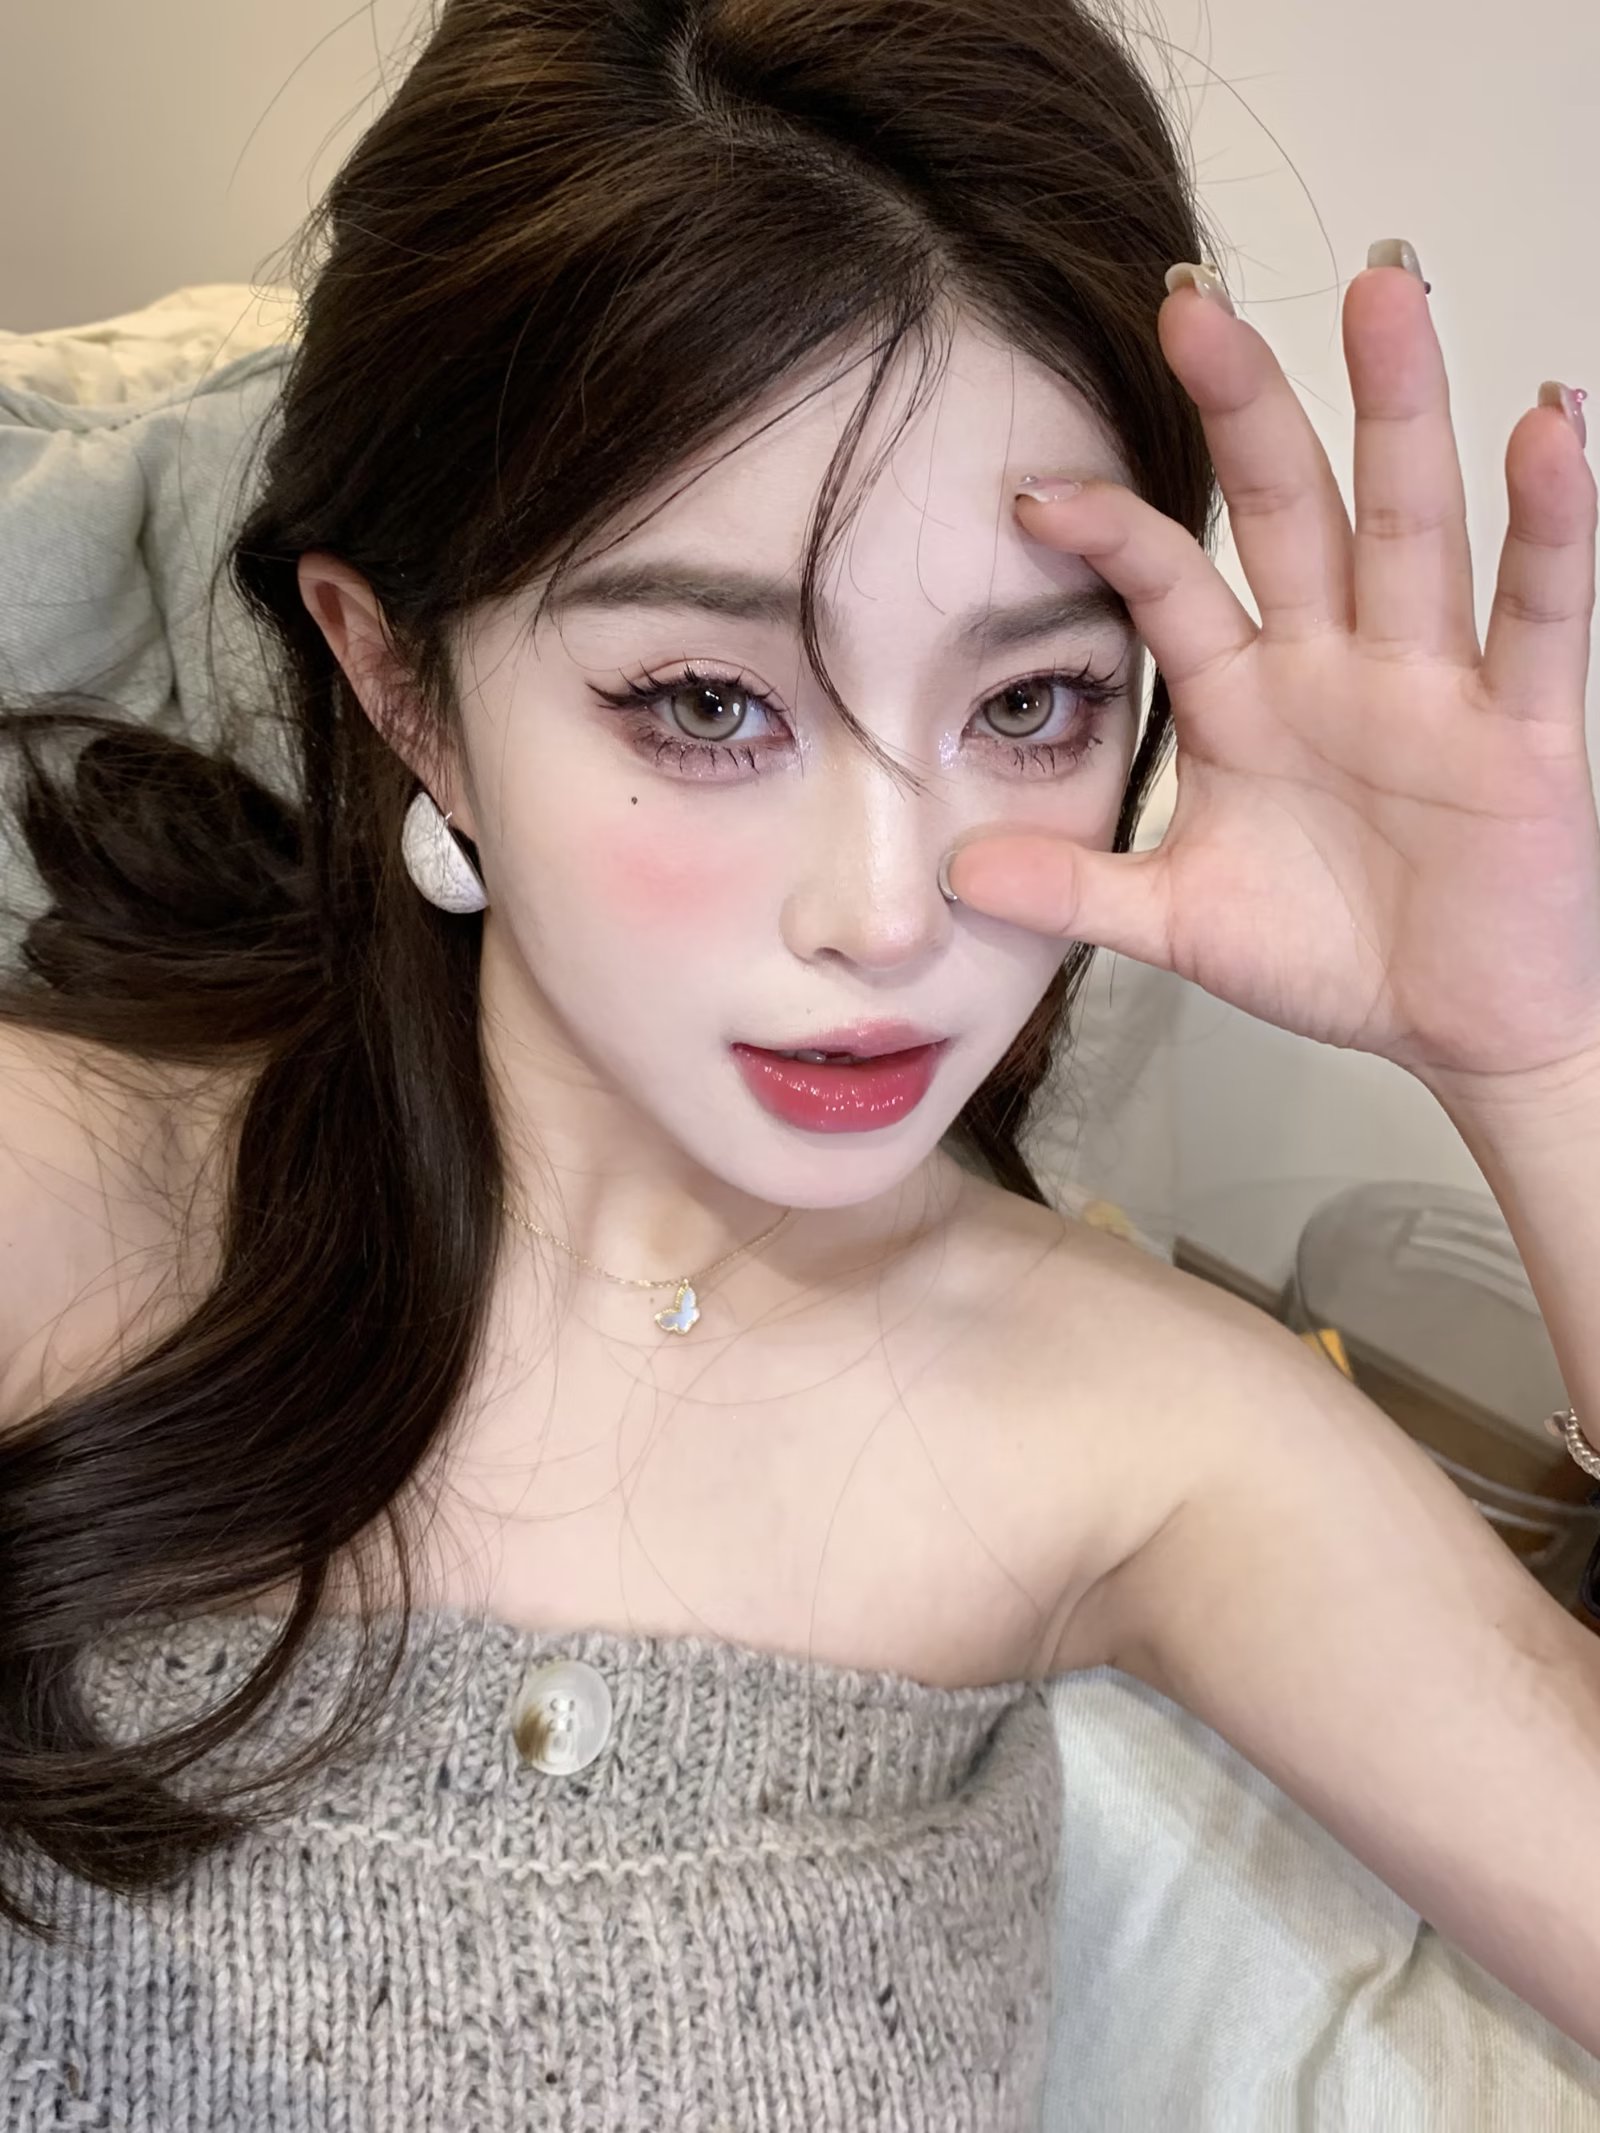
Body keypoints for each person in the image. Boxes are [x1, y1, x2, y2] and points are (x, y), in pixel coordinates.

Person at [0, 0, 1596, 2123]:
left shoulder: (1143, 1430)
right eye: (705, 701)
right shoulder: (64, 1205)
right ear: (400, 681)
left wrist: (1541, 1063)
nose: (889, 911)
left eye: (1027, 704)